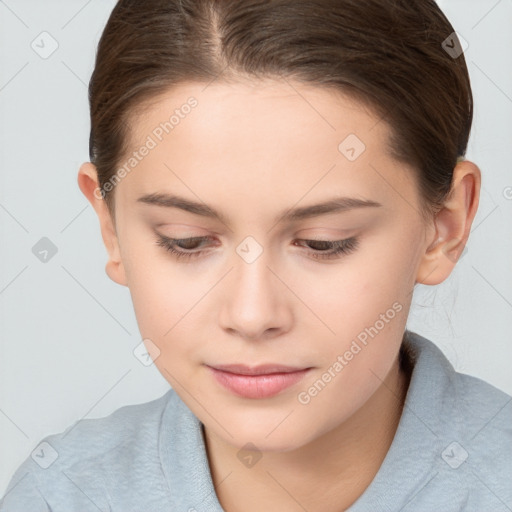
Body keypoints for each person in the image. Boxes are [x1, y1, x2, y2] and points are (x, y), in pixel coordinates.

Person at [1, 0, 511, 510]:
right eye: (186, 240)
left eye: (323, 243)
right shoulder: (61, 494)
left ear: (444, 226)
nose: (251, 315)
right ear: (110, 225)